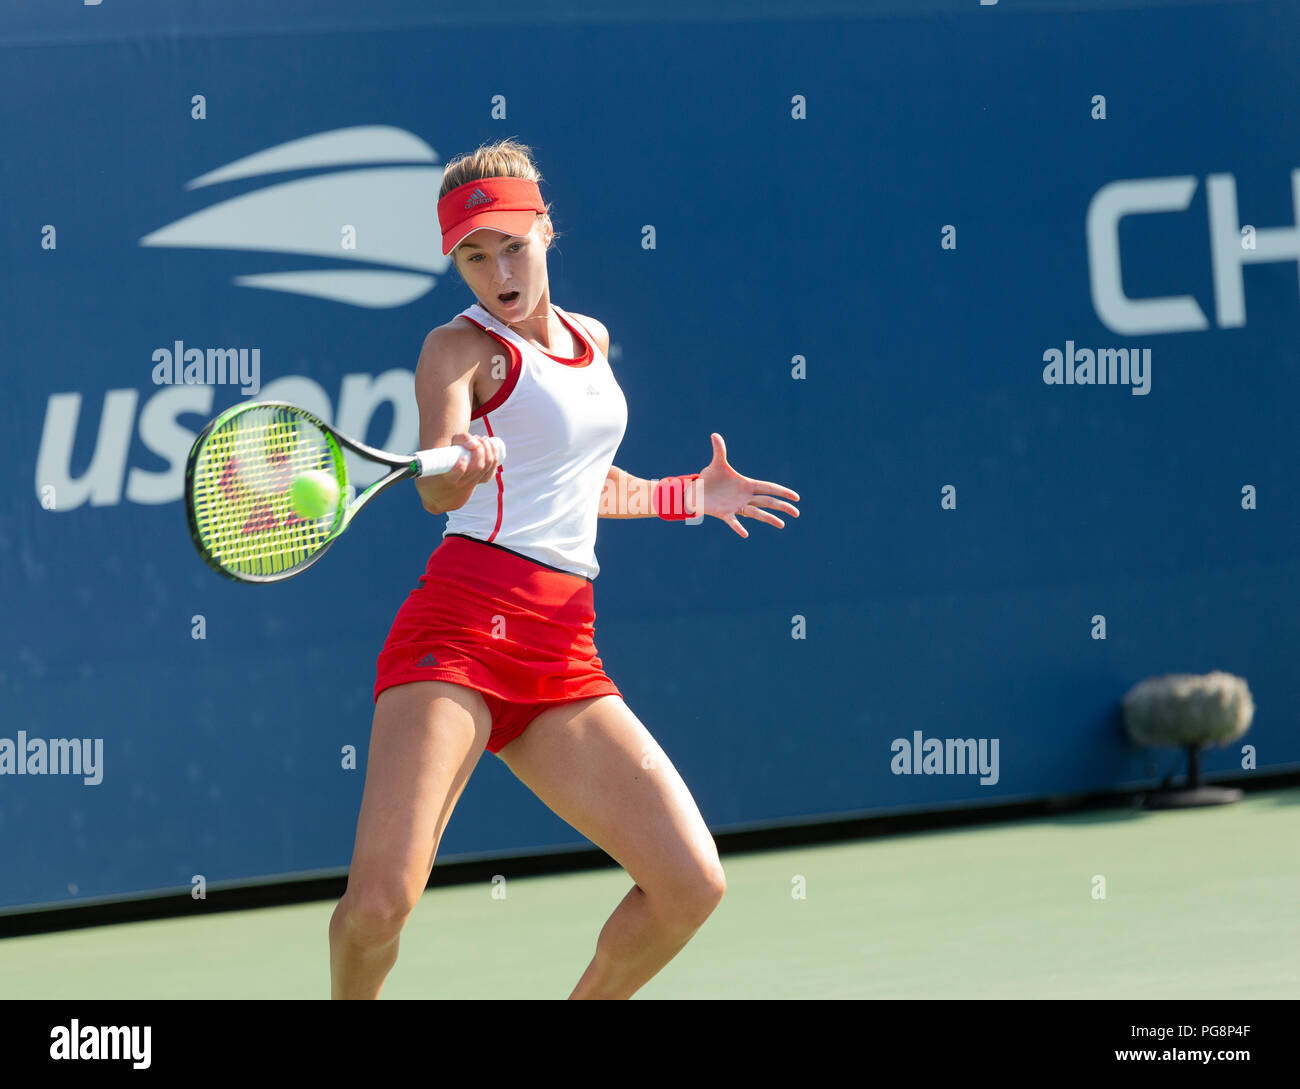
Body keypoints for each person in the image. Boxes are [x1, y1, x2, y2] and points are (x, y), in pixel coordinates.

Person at [328, 137, 800, 999]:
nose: (498, 271)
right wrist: (460, 462)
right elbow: (438, 480)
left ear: (547, 229)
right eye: (474, 256)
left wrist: (688, 496)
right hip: (459, 637)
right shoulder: (457, 351)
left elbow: (579, 485)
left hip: (559, 653)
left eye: (513, 244)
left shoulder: (592, 339)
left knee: (691, 882)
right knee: (381, 903)